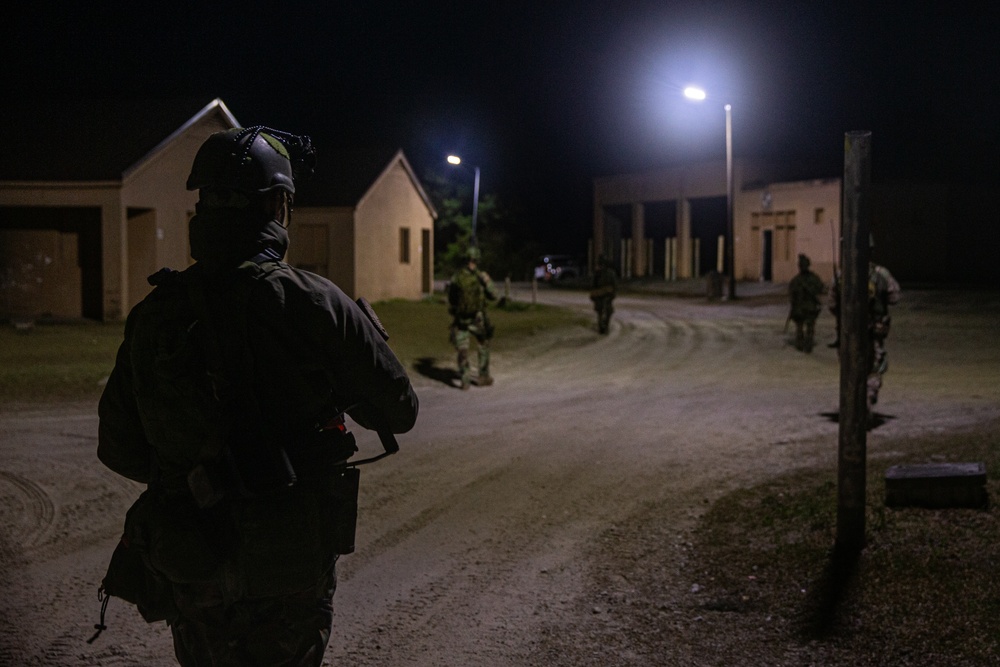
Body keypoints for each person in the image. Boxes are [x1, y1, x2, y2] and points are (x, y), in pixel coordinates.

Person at [96, 126, 419, 666]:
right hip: (288, 560)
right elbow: (398, 412)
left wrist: (195, 478)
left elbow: (119, 446)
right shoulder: (316, 303)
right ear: (277, 205)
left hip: (192, 558)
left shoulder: (155, 314)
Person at [447, 246, 499, 389]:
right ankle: (483, 376)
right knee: (483, 344)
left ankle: (465, 379)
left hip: (461, 319)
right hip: (477, 319)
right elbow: (494, 295)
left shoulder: (457, 277)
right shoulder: (481, 276)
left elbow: (451, 299)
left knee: (462, 348)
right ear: (477, 259)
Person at [787, 253, 825, 352]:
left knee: (805, 327)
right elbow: (821, 289)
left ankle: (803, 344)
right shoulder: (808, 279)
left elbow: (821, 289)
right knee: (806, 327)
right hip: (806, 308)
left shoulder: (797, 280)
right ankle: (805, 344)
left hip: (805, 307)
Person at [589, 255, 617, 334]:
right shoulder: (597, 274)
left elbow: (614, 285)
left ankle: (605, 326)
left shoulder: (610, 273)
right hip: (599, 295)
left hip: (607, 295)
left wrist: (613, 294)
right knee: (600, 312)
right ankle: (602, 327)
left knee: (607, 311)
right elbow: (593, 285)